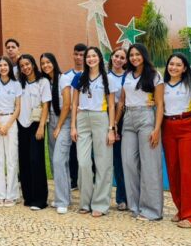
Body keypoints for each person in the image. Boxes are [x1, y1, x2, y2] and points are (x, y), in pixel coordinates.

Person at [121, 43, 165, 221]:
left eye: (137, 54)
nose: (134, 58)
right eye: (131, 55)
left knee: (149, 164)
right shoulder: (127, 75)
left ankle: (152, 210)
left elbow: (160, 103)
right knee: (128, 161)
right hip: (128, 118)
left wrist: (156, 129)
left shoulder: (154, 75)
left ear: (144, 56)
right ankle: (135, 206)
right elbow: (122, 100)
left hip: (146, 117)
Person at [70, 47, 116, 217]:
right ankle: (85, 202)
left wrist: (111, 129)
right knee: (83, 163)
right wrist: (73, 127)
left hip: (101, 118)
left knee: (103, 162)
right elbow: (74, 104)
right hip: (82, 120)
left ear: (99, 58)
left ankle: (100, 204)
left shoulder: (108, 78)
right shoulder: (79, 78)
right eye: (88, 56)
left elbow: (112, 105)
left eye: (94, 56)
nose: (90, 59)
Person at [162, 53, 191, 228]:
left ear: (185, 68)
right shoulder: (161, 86)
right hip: (168, 127)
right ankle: (181, 209)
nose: (174, 67)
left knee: (188, 170)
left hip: (187, 126)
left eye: (178, 65)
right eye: (171, 64)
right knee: (173, 169)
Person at [17, 54, 51, 210]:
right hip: (20, 125)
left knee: (36, 161)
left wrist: (41, 126)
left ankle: (40, 199)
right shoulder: (19, 83)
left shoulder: (42, 82)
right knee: (24, 161)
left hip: (35, 124)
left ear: (33, 64)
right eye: (22, 65)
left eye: (27, 64)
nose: (25, 67)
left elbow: (45, 105)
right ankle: (28, 196)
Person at [0, 56, 21, 207]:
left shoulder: (16, 84)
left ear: (9, 67)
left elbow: (18, 107)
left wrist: (7, 125)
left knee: (12, 159)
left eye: (5, 65)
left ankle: (11, 194)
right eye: (0, 65)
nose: (3, 68)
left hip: (11, 122)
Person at [39, 53, 72, 213]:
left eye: (48, 62)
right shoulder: (46, 81)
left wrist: (58, 126)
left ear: (54, 62)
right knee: (55, 161)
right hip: (50, 121)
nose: (46, 65)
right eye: (43, 63)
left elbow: (67, 104)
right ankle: (65, 196)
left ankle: (62, 201)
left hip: (63, 121)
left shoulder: (63, 78)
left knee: (59, 160)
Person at [63, 42, 87, 191]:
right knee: (72, 149)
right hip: (72, 117)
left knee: (87, 151)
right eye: (76, 54)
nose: (79, 57)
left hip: (88, 116)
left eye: (82, 55)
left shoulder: (91, 74)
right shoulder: (66, 76)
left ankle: (88, 178)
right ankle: (73, 179)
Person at [107, 47, 128, 210]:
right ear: (111, 57)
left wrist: (116, 123)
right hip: (106, 116)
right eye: (116, 56)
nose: (118, 59)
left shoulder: (129, 77)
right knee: (110, 159)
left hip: (124, 118)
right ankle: (107, 196)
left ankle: (124, 197)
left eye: (122, 57)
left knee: (123, 159)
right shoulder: (104, 76)